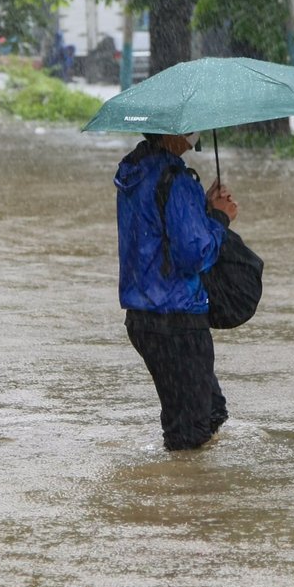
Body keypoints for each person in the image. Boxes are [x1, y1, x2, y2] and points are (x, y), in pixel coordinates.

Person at [114, 132, 238, 451]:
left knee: (209, 411)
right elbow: (193, 254)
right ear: (174, 132)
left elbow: (159, 234)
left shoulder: (135, 171)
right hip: (178, 320)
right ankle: (182, 497)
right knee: (191, 429)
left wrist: (203, 209)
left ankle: (183, 491)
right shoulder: (176, 180)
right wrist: (221, 219)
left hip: (143, 319)